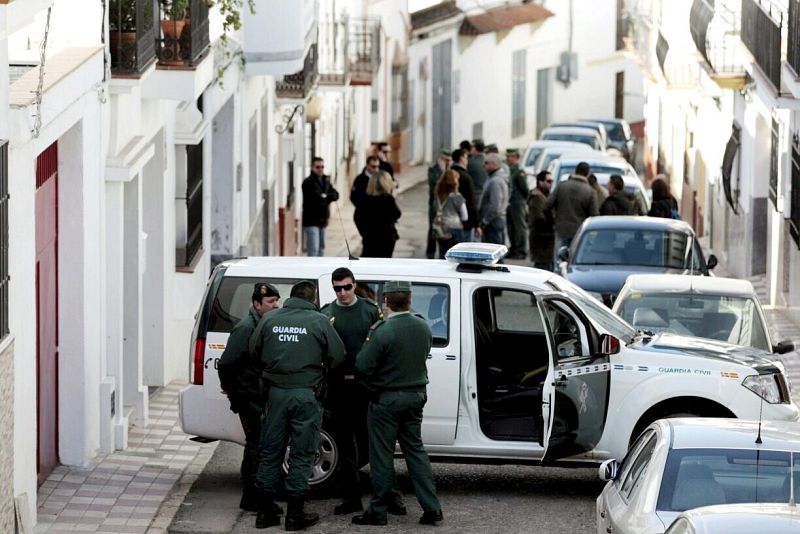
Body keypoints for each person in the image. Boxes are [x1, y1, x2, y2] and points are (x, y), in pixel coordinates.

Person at [249, 281, 345, 530]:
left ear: (291, 298)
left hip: (276, 394)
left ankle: (264, 513)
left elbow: (254, 351)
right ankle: (294, 516)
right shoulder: (319, 321)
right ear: (313, 300)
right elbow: (338, 355)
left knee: (271, 451)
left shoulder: (269, 319)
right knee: (302, 452)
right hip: (305, 394)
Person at [352, 281, 444, 527]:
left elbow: (362, 365)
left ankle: (378, 511)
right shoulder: (423, 326)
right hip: (415, 396)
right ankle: (432, 508)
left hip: (387, 399)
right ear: (410, 300)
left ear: (386, 301)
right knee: (416, 453)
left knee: (381, 456)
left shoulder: (382, 330)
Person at [320, 268, 404, 517]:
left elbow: (382, 348)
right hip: (339, 389)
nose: (343, 292)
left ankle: (392, 497)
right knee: (346, 448)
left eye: (347, 287)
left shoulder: (369, 310)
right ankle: (351, 498)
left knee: (378, 446)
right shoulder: (326, 314)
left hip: (366, 388)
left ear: (354, 285)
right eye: (337, 288)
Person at [217, 283, 281, 514]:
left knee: (255, 445)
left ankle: (250, 496)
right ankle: (254, 497)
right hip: (248, 396)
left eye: (276, 301)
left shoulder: (261, 323)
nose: (275, 305)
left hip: (255, 394)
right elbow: (226, 362)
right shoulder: (246, 327)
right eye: (270, 302)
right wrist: (230, 389)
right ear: (257, 304)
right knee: (258, 446)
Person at [544, 161, 598, 268]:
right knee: (575, 263)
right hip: (580, 233)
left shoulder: (561, 186)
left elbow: (547, 205)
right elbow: (594, 216)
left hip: (561, 229)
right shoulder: (590, 191)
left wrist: (553, 220)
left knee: (559, 261)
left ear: (575, 171)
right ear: (587, 174)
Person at [301, 157, 340, 257]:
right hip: (311, 221)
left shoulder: (325, 180)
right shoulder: (308, 182)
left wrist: (326, 196)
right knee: (313, 249)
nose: (320, 169)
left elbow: (335, 194)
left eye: (322, 166)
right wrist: (327, 197)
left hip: (323, 220)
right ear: (312, 167)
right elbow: (316, 200)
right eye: (318, 167)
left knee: (321, 248)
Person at [360, 171, 402, 258]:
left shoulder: (366, 200)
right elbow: (397, 214)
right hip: (386, 239)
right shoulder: (388, 199)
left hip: (370, 238)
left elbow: (357, 217)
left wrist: (364, 231)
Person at [432, 169, 468, 257]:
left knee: (443, 255)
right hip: (455, 228)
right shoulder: (457, 197)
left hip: (441, 229)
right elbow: (465, 216)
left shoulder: (438, 195)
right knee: (457, 257)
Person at [477, 153, 509, 246]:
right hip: (494, 220)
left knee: (493, 251)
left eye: (486, 163)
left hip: (493, 221)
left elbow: (495, 205)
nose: (484, 165)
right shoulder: (493, 178)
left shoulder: (496, 181)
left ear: (494, 164)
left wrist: (484, 221)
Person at [426, 150, 452, 258]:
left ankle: (445, 250)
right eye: (445, 160)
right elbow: (434, 184)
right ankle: (431, 251)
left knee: (445, 227)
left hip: (447, 204)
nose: (447, 162)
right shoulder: (433, 170)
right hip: (435, 203)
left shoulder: (450, 170)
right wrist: (442, 172)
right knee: (433, 227)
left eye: (448, 160)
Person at [527, 171, 555, 271]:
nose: (550, 184)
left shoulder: (544, 195)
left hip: (544, 238)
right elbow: (538, 218)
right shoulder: (537, 197)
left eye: (552, 181)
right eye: (548, 181)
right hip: (541, 238)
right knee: (542, 268)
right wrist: (551, 226)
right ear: (540, 182)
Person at [505, 148, 529, 259]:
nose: (509, 158)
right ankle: (514, 248)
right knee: (511, 228)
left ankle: (521, 250)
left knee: (519, 227)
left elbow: (525, 189)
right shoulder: (508, 170)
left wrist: (522, 201)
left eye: (512, 157)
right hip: (509, 203)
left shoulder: (519, 172)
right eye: (508, 156)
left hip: (517, 202)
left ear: (517, 158)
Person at [450, 148, 478, 240]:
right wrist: (476, 224)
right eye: (466, 158)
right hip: (465, 222)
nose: (467, 161)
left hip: (449, 222)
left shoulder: (447, 175)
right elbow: (471, 202)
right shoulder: (466, 178)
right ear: (461, 159)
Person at [351, 155, 382, 239]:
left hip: (378, 217)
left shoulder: (381, 178)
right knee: (368, 239)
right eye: (373, 166)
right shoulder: (360, 179)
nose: (376, 169)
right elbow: (353, 197)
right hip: (363, 216)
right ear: (367, 165)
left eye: (377, 166)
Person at [467, 138, 489, 207]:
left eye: (471, 147)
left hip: (475, 196)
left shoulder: (470, 163)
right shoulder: (490, 161)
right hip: (488, 196)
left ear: (474, 148)